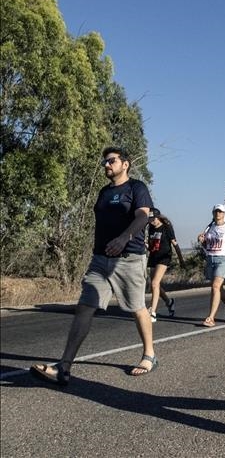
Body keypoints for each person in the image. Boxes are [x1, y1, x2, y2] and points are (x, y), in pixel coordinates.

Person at [30, 147, 157, 385]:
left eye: (111, 161)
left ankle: (149, 354)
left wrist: (124, 238)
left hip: (129, 258)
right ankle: (64, 367)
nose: (107, 165)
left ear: (125, 164)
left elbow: (142, 216)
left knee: (137, 307)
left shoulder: (136, 188)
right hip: (100, 260)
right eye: (105, 162)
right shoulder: (103, 192)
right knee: (85, 307)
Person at [198, 204, 225, 327]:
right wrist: (202, 241)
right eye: (216, 211)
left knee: (215, 286)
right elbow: (207, 247)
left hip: (224, 259)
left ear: (224, 214)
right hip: (211, 259)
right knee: (218, 288)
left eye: (220, 212)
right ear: (213, 213)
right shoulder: (209, 228)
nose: (218, 214)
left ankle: (211, 318)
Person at [146, 208, 184, 322]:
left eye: (153, 219)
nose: (151, 221)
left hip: (164, 257)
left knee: (154, 283)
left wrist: (181, 260)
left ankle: (152, 312)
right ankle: (169, 302)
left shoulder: (167, 227)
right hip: (153, 257)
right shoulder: (150, 228)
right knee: (154, 286)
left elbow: (175, 244)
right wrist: (146, 245)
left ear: (158, 217)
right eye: (150, 219)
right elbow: (151, 244)